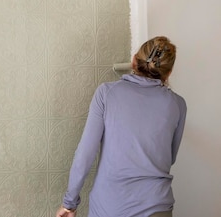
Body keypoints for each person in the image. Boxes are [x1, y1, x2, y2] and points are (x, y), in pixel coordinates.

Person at [56, 36, 187, 217]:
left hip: (110, 208)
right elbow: (169, 157)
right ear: (168, 73)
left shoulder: (106, 94)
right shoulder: (178, 104)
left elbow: (85, 153)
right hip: (158, 208)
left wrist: (69, 203)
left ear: (134, 61)